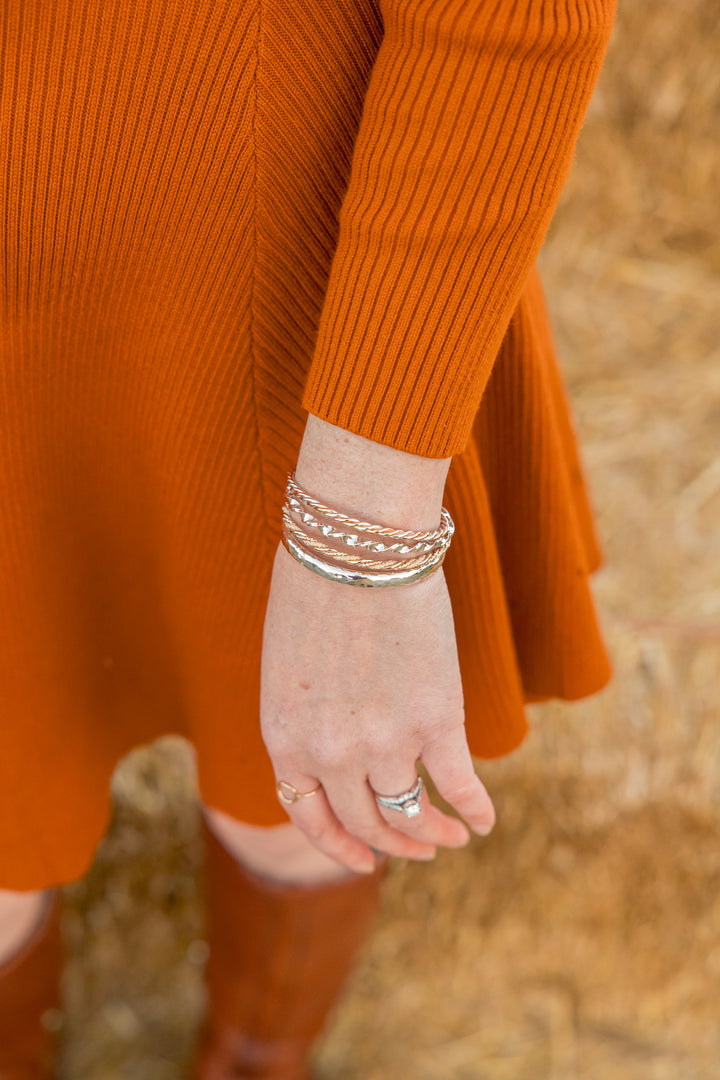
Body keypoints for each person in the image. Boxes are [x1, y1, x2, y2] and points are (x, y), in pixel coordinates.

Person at [0, 0, 618, 1075]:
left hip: (263, 289)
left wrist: (363, 531)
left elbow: (511, 22)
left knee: (297, 789)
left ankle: (255, 1060)